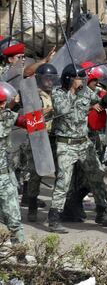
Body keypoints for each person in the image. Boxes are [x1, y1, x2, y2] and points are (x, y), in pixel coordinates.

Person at [48, 63, 107, 233]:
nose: (82, 82)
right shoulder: (58, 92)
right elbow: (62, 109)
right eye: (79, 78)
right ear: (69, 79)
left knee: (97, 175)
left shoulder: (86, 92)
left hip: (84, 143)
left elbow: (99, 100)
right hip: (66, 144)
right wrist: (72, 90)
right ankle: (54, 218)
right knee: (63, 181)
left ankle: (101, 211)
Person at [22, 63, 58, 222]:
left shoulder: (57, 93)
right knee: (35, 174)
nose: (49, 81)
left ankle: (58, 209)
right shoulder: (34, 95)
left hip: (54, 136)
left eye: (51, 78)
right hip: (38, 137)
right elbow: (30, 117)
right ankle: (32, 207)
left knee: (60, 172)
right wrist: (48, 110)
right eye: (46, 78)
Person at [0, 82, 27, 251]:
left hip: (3, 175)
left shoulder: (8, 115)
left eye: (3, 102)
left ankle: (21, 252)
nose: (3, 105)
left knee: (14, 217)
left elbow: (26, 122)